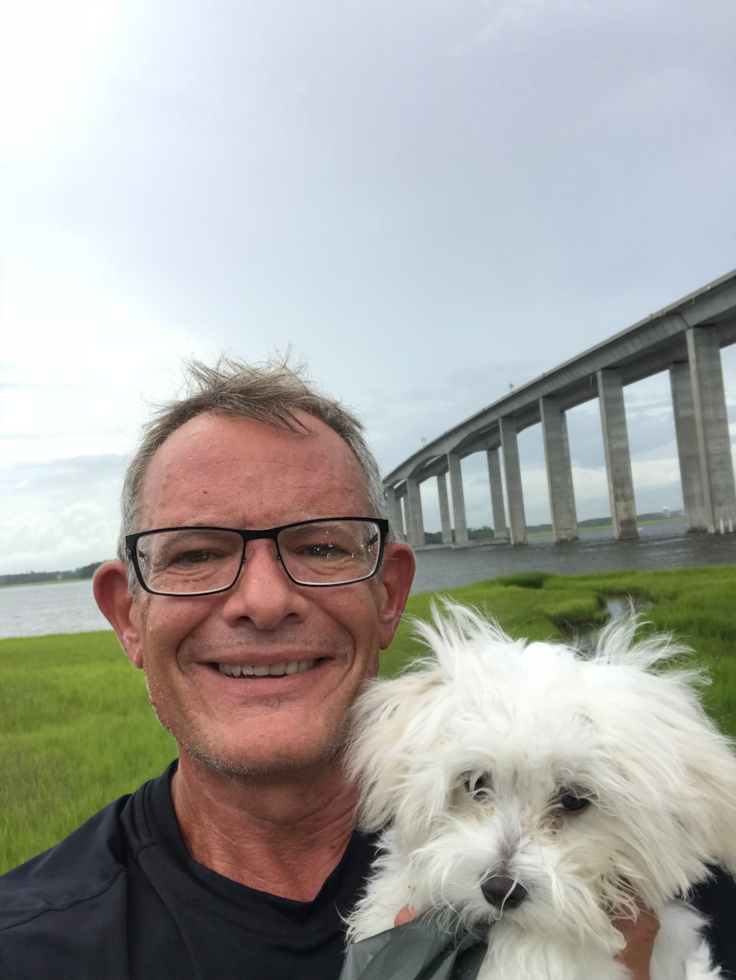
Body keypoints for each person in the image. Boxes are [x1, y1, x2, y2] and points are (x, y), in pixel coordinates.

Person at [1, 358, 734, 980]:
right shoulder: (30, 948)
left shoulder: (680, 874)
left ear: (388, 595)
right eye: (195, 554)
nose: (261, 601)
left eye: (320, 548)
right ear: (127, 615)